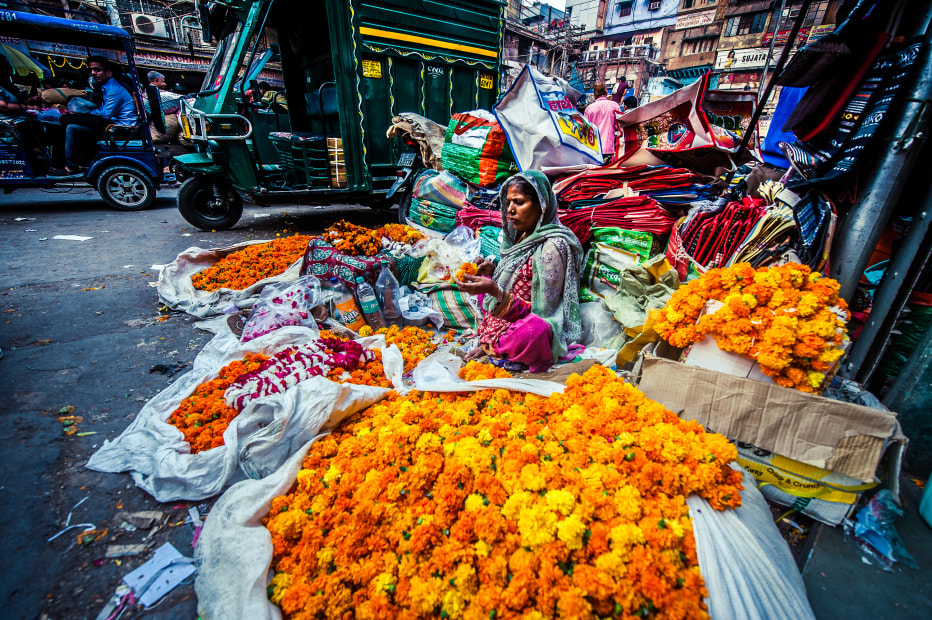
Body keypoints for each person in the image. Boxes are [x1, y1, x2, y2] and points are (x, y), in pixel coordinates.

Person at [456, 171, 584, 372]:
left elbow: (543, 312)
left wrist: (496, 292)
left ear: (540, 206)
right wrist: (493, 270)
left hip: (526, 320)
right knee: (479, 281)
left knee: (535, 331)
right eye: (508, 203)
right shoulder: (523, 236)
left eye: (519, 202)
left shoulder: (553, 246)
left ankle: (498, 345)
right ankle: (496, 341)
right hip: (506, 312)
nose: (510, 210)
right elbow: (521, 278)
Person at [52, 55, 138, 175]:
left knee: (68, 121)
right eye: (92, 70)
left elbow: (105, 115)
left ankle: (71, 165)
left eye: (97, 70)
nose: (93, 73)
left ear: (108, 73)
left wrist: (83, 114)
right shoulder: (106, 87)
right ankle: (68, 164)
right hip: (109, 122)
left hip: (119, 127)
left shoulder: (114, 89)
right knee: (70, 124)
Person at [583, 82, 622, 163]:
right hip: (608, 148)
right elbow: (619, 126)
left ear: (594, 95)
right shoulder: (614, 106)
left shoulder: (589, 108)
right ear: (606, 92)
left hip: (593, 148)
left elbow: (586, 129)